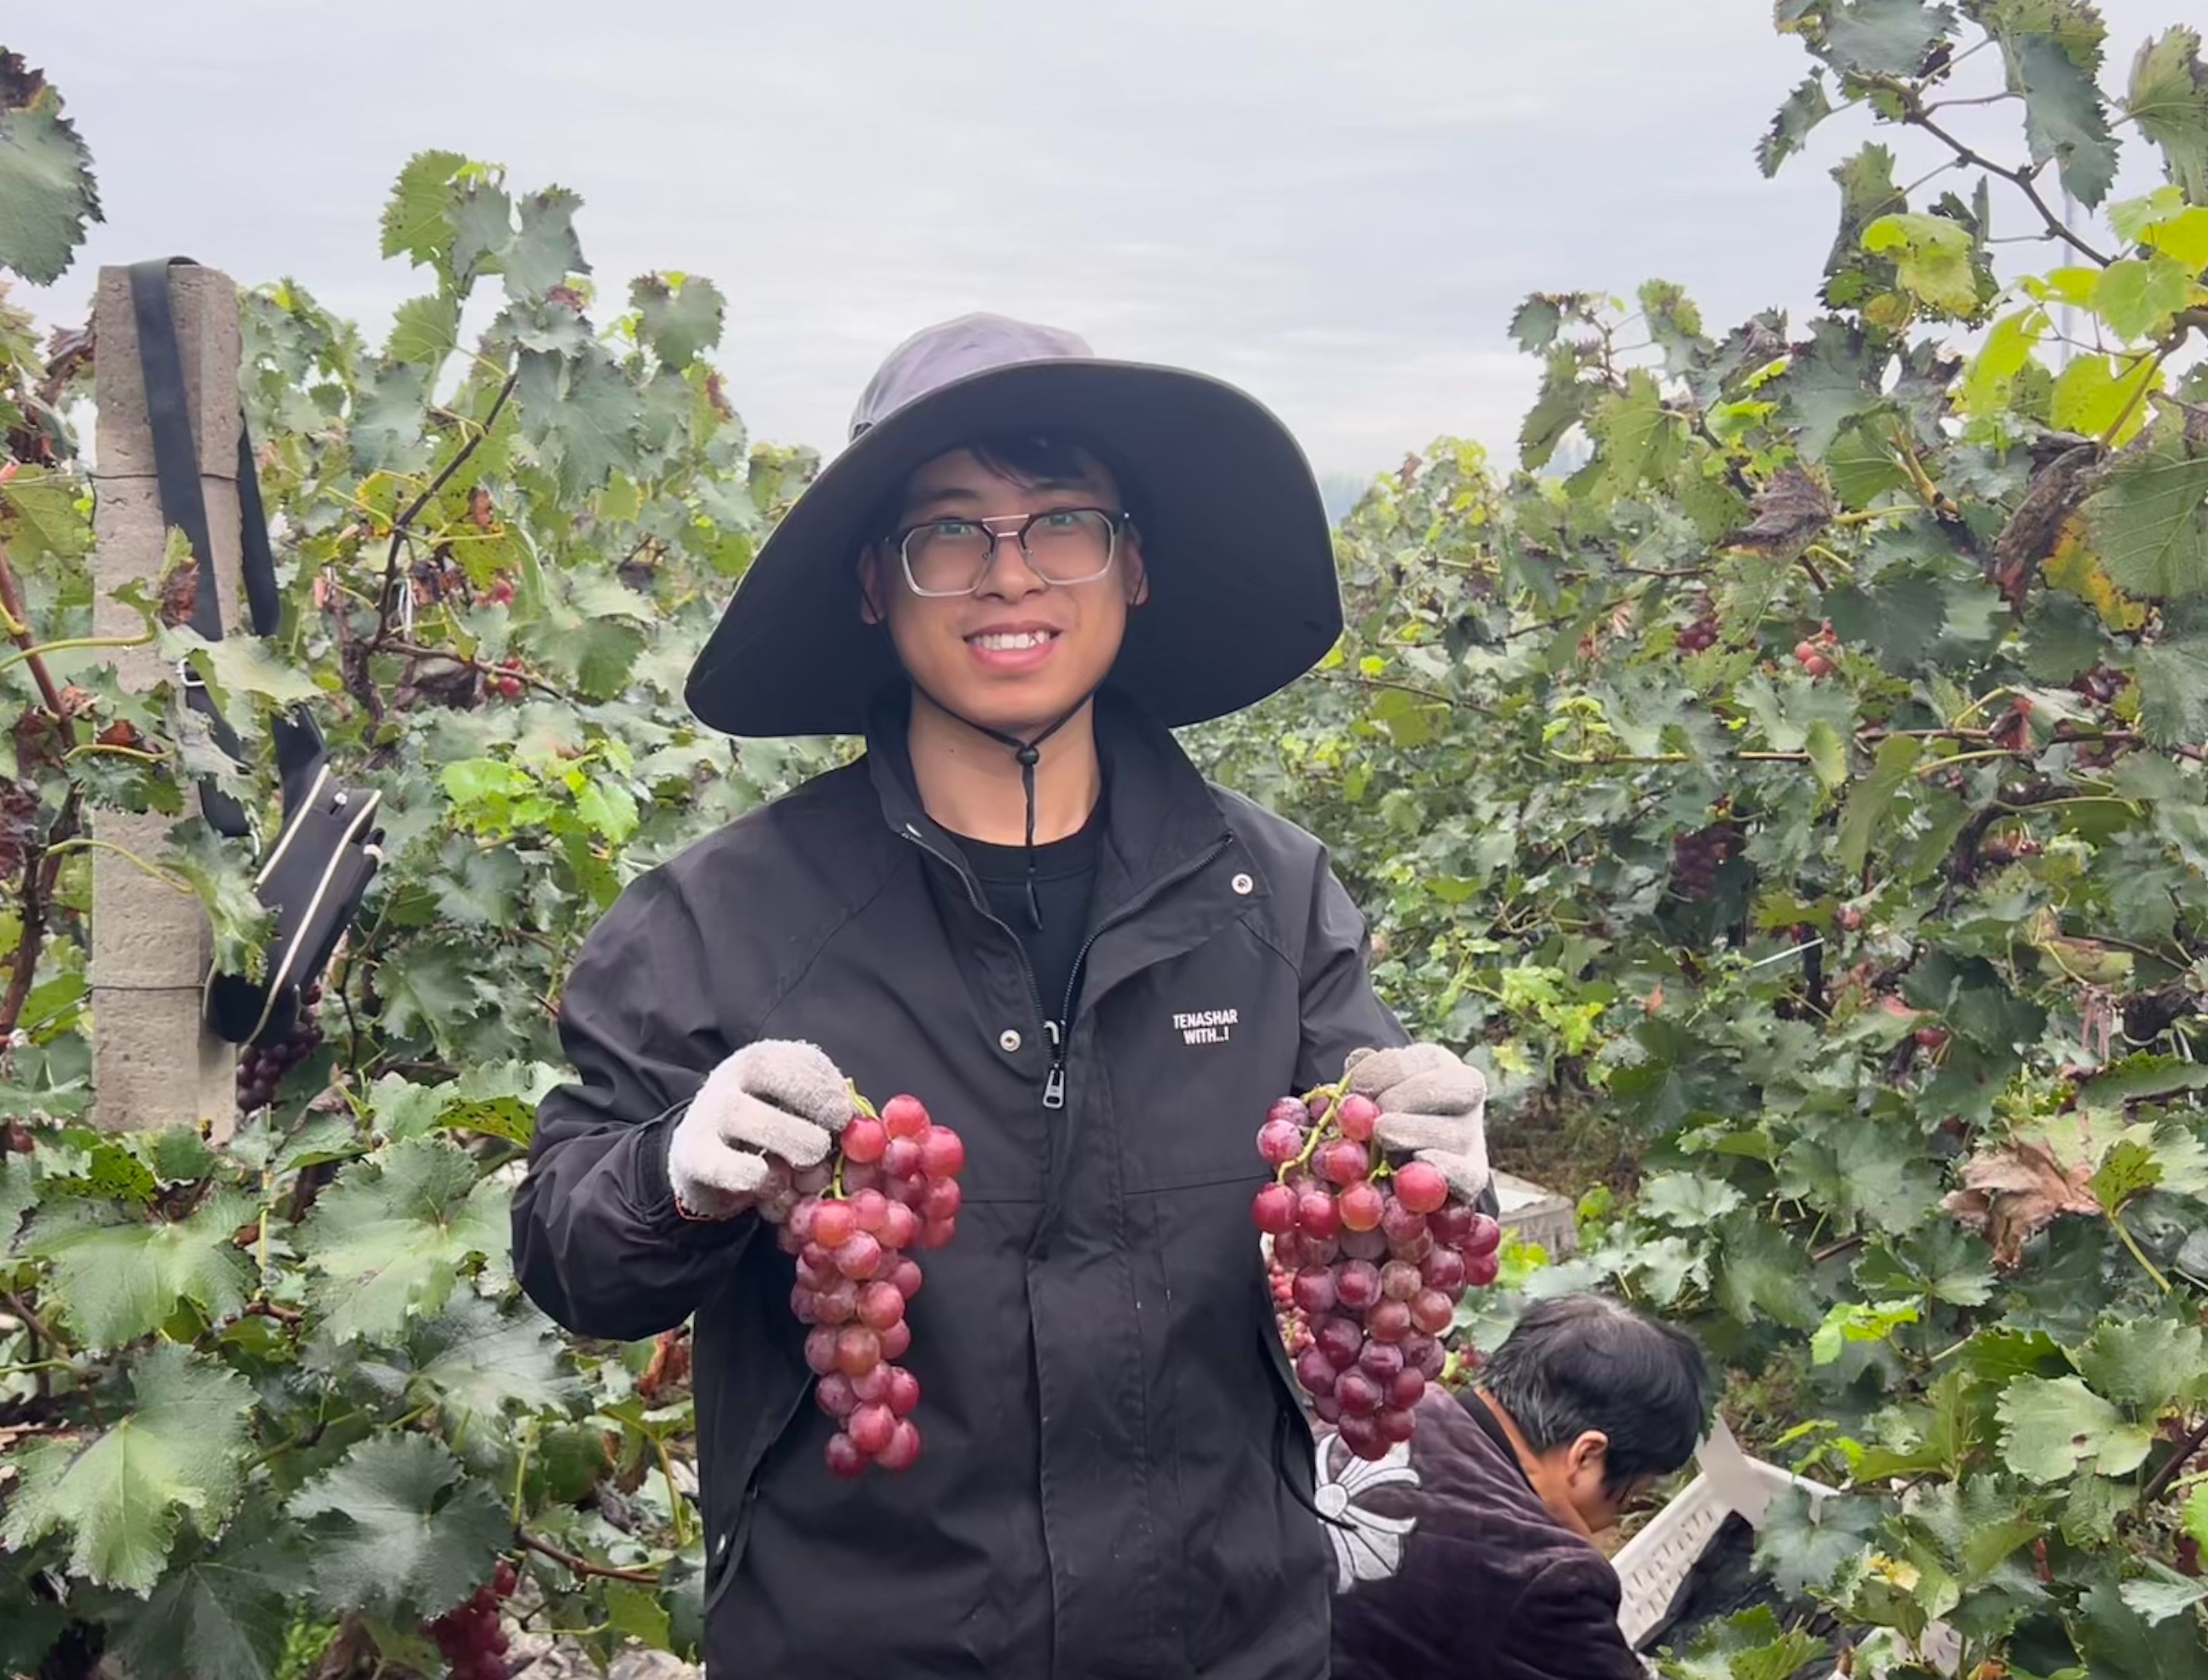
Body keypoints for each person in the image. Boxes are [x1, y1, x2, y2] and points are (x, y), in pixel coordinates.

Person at [510, 312, 1493, 1679]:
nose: (1010, 572)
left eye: (1062, 522)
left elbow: (1363, 1180)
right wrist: (668, 1172)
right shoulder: (720, 917)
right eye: (950, 531)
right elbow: (570, 1257)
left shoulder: (1268, 894)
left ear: (1132, 563)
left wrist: (1432, 1155)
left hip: (1224, 1644)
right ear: (876, 582)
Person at [1326, 1293, 1712, 1680]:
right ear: (1585, 1456)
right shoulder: (1547, 1576)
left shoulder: (1390, 1409)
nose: (1612, 1522)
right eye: (1629, 1497)